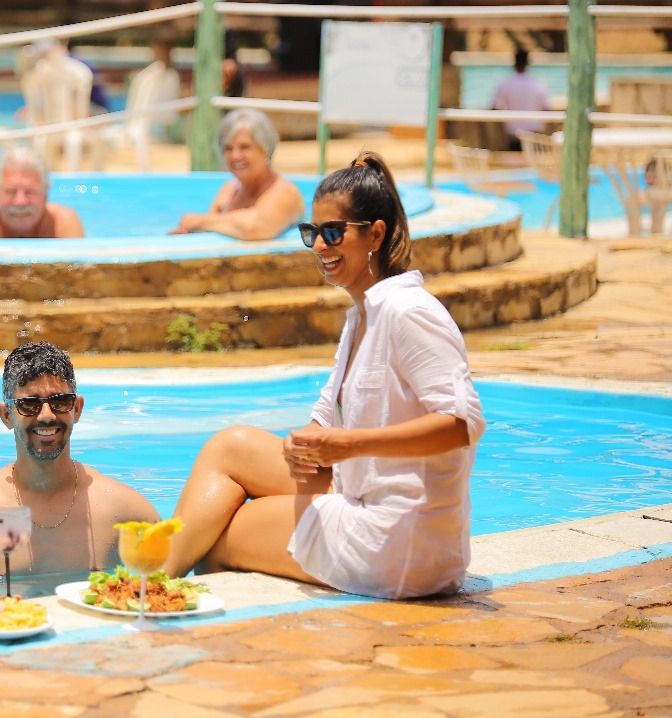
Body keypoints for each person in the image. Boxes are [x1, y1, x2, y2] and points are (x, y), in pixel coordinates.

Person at [163, 151, 485, 600]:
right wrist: (305, 445)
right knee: (229, 446)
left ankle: (148, 590)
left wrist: (350, 444)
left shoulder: (409, 312)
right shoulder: (362, 315)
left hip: (401, 540)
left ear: (375, 233)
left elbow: (461, 425)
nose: (319, 247)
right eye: (311, 233)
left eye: (332, 233)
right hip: (362, 494)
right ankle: (153, 579)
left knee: (217, 537)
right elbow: (325, 421)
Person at [0, 342, 159, 591]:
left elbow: (178, 577)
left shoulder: (120, 508)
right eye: (29, 405)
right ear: (6, 416)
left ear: (77, 409)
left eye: (60, 401)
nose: (46, 415)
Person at [170, 108, 304, 240]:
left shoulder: (285, 193)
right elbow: (209, 231)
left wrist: (197, 221)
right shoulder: (228, 191)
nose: (235, 156)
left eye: (244, 147)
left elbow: (254, 228)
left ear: (265, 148)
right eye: (228, 148)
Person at [0, 146, 85, 238]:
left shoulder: (64, 224)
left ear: (45, 194)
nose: (20, 202)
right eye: (11, 191)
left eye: (30, 192)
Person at [491, 48, 551, 152]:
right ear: (528, 63)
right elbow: (547, 109)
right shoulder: (539, 84)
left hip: (513, 132)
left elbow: (495, 107)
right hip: (535, 132)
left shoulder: (505, 83)